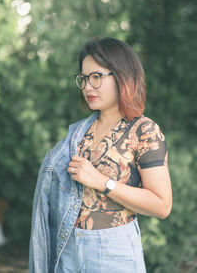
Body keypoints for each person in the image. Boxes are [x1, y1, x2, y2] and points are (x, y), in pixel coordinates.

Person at [29, 37, 172, 273]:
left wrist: (101, 182)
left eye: (96, 77)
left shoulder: (144, 130)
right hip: (66, 249)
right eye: (84, 79)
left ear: (122, 76)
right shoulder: (79, 134)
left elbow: (162, 205)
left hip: (112, 252)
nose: (87, 87)